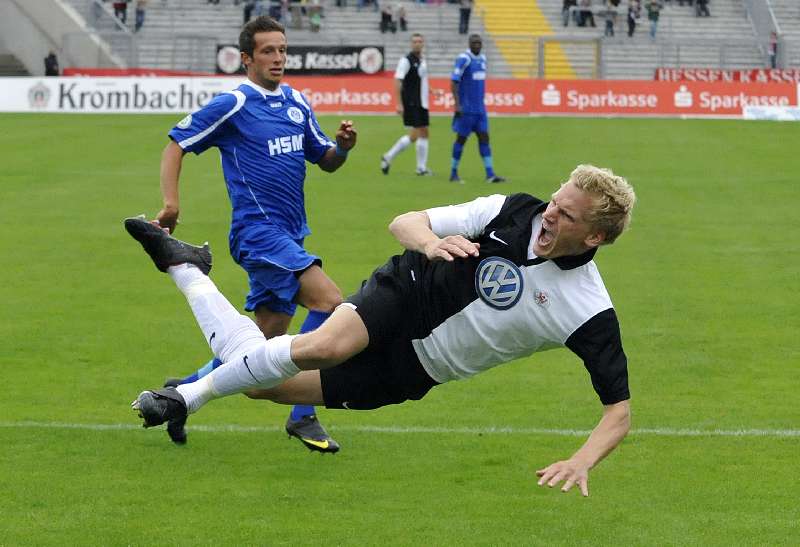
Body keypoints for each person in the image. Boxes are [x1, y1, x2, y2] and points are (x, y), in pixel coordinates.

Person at [128, 163, 635, 497]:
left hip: (418, 369)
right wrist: (430, 245)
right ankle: (187, 398)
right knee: (324, 346)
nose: (548, 214)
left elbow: (619, 412)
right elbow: (406, 221)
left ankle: (186, 267)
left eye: (565, 214)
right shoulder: (515, 210)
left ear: (594, 236)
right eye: (554, 200)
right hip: (405, 292)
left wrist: (582, 459)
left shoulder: (587, 309)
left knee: (263, 386)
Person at [145, 16, 356, 453]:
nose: (278, 58)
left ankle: (178, 395)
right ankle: (303, 416)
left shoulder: (297, 103)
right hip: (257, 234)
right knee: (329, 302)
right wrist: (171, 204)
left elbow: (326, 160)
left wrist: (344, 148)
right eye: (267, 51)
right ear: (247, 58)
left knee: (259, 344)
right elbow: (176, 143)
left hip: (290, 237)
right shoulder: (235, 103)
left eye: (282, 50)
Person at [449, 34, 505, 184]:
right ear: (469, 43)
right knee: (461, 139)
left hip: (480, 110)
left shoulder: (483, 59)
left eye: (479, 42)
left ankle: (490, 174)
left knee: (484, 138)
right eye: (474, 42)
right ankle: (453, 172)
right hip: (466, 110)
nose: (477, 45)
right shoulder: (464, 59)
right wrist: (457, 104)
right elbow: (454, 82)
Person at [381, 33, 434, 177]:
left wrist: (431, 91)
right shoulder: (406, 61)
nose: (417, 43)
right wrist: (399, 103)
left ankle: (421, 167)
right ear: (411, 44)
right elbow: (398, 80)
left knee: (424, 132)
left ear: (423, 44)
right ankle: (388, 157)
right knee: (415, 134)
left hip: (422, 102)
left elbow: (421, 80)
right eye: (415, 41)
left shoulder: (422, 60)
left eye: (420, 41)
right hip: (411, 102)